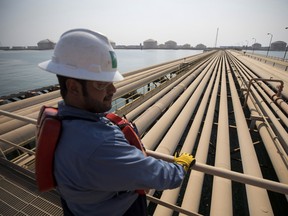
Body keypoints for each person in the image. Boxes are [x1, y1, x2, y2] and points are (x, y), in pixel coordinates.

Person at [38, 28, 195, 216]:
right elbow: (163, 177)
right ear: (73, 87)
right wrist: (180, 166)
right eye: (102, 84)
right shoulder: (102, 145)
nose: (113, 89)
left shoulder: (62, 119)